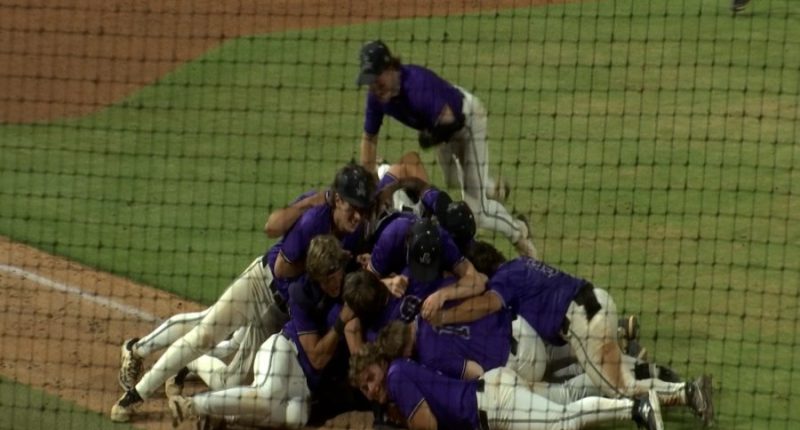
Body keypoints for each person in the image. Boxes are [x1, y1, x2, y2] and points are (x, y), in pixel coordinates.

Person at [110, 164, 376, 422]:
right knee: (205, 332)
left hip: (280, 314)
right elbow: (282, 267)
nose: (358, 217)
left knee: (233, 378)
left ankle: (190, 363)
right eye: (353, 208)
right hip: (261, 284)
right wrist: (320, 262)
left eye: (362, 211)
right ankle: (136, 394)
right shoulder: (313, 220)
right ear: (338, 200)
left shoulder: (355, 232)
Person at [428, 240, 715, 428]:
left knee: (620, 389)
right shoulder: (520, 264)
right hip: (599, 303)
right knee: (613, 376)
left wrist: (445, 315)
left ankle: (686, 392)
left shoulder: (503, 280)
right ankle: (672, 382)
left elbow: (488, 303)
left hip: (582, 324)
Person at [355, 40, 537, 258]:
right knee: (452, 179)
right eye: (370, 81)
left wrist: (432, 137)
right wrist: (371, 182)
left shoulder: (417, 86)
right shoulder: (377, 97)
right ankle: (491, 188)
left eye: (377, 78)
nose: (375, 86)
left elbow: (451, 119)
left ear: (391, 68)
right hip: (441, 131)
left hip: (468, 124)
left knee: (477, 213)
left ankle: (520, 232)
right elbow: (369, 138)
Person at [168, 234, 358, 429]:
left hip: (303, 382)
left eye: (332, 276)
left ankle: (225, 416)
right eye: (323, 280)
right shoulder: (301, 293)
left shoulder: (351, 282)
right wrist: (341, 320)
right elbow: (317, 358)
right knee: (262, 395)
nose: (330, 284)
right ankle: (191, 402)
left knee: (295, 419)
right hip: (284, 352)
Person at [349, 344, 664, 430]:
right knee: (566, 398)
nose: (371, 389)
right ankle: (631, 367)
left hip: (496, 404)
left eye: (370, 378)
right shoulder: (402, 371)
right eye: (364, 388)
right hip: (494, 390)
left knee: (564, 422)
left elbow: (428, 425)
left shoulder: (396, 377)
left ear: (382, 364)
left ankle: (637, 408)